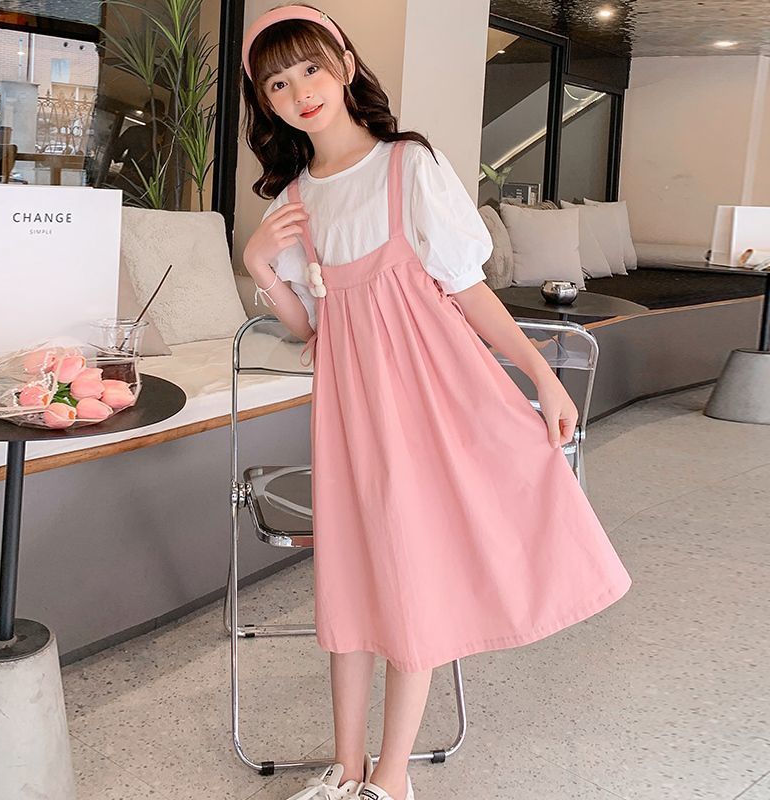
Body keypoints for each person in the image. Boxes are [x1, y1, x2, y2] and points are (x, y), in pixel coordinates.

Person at [240, 6, 632, 800]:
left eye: (311, 68)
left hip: (431, 400)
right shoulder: (295, 199)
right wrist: (261, 265)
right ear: (266, 103)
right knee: (350, 579)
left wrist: (540, 374)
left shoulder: (406, 165)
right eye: (278, 83)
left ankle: (391, 779)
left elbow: (468, 289)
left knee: (410, 573)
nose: (299, 91)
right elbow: (313, 330)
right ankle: (346, 769)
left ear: (346, 65)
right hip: (352, 412)